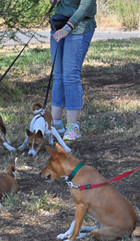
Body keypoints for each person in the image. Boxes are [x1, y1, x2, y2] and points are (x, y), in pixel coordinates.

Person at [49, 0, 96, 140]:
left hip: (80, 26)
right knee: (58, 74)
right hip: (59, 23)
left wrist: (67, 28)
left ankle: (72, 127)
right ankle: (55, 123)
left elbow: (85, 6)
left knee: (70, 76)